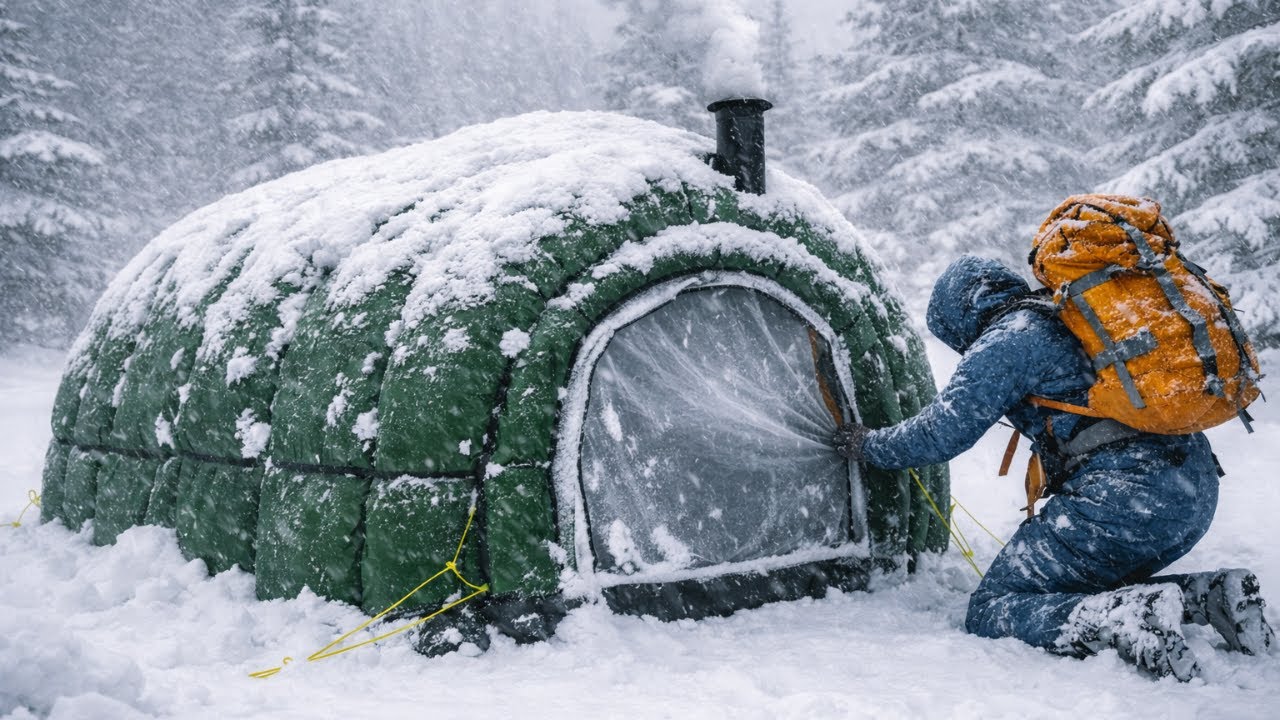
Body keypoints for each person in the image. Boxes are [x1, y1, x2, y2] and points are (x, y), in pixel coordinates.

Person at [833, 254, 1274, 681]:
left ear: (960, 316)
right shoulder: (1066, 315)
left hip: (1124, 498)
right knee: (1072, 584)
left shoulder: (1011, 337)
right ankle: (1210, 595)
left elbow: (942, 431)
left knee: (994, 604)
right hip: (1190, 486)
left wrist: (868, 445)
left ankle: (1128, 618)